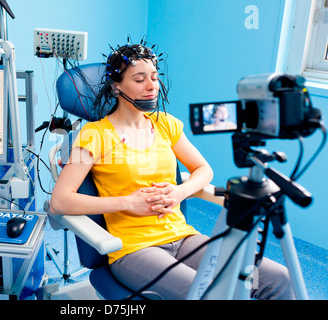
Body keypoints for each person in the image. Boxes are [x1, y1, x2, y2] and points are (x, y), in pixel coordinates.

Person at [49, 43, 295, 300]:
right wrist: (128, 203)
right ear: (116, 86)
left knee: (277, 280)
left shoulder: (165, 124)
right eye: (139, 79)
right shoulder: (94, 134)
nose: (151, 85)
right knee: (209, 294)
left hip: (184, 239)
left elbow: (203, 169)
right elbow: (60, 201)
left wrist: (180, 191)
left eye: (154, 77)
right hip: (134, 249)